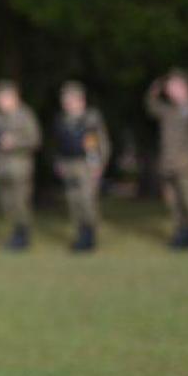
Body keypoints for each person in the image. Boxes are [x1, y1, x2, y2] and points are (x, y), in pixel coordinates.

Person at [146, 69, 188, 250]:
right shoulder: (169, 110)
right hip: (169, 166)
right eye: (168, 87)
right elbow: (151, 107)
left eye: (173, 86)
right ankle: (180, 233)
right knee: (174, 204)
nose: (170, 90)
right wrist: (154, 90)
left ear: (184, 87)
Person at [0, 80, 42, 251]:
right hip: (3, 167)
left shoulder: (25, 115)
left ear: (13, 97)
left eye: (3, 97)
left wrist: (15, 142)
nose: (0, 101)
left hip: (20, 167)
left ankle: (23, 236)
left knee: (20, 203)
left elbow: (36, 139)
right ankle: (16, 233)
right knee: (7, 203)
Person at [53, 81, 111, 253]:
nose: (68, 103)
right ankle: (81, 234)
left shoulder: (90, 118)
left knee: (87, 201)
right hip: (69, 164)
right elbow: (59, 145)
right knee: (73, 201)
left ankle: (90, 235)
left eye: (71, 99)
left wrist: (98, 164)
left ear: (81, 100)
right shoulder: (62, 120)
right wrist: (59, 162)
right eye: (65, 99)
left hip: (86, 164)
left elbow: (100, 143)